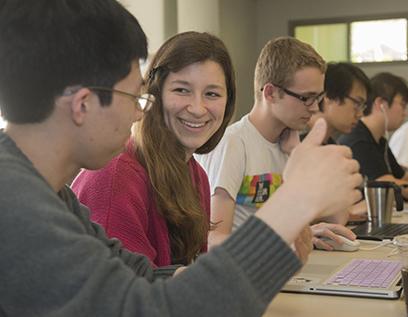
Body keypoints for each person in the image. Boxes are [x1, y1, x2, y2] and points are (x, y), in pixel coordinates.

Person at [0, 1, 362, 316]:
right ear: (83, 104)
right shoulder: (14, 201)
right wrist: (294, 202)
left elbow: (137, 278)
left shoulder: (48, 193)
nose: (139, 114)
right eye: (134, 97)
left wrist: (270, 256)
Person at [71, 31, 235, 267]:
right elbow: (126, 295)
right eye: (182, 90)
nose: (198, 108)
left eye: (212, 94)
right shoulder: (119, 175)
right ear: (154, 94)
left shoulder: (195, 174)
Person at [197, 37, 355, 249]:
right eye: (306, 98)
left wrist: (298, 155)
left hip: (279, 265)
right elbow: (213, 241)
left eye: (318, 98)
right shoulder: (233, 144)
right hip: (243, 272)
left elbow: (338, 218)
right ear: (270, 93)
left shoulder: (290, 144)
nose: (315, 108)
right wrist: (282, 240)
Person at [338, 72, 408, 203]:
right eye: (402, 105)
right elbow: (384, 181)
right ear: (381, 103)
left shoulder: (380, 140)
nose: (405, 113)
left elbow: (403, 176)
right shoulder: (358, 139)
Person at [303, 62, 371, 219]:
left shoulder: (331, 145)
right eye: (357, 104)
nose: (360, 114)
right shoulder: (298, 142)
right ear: (329, 98)